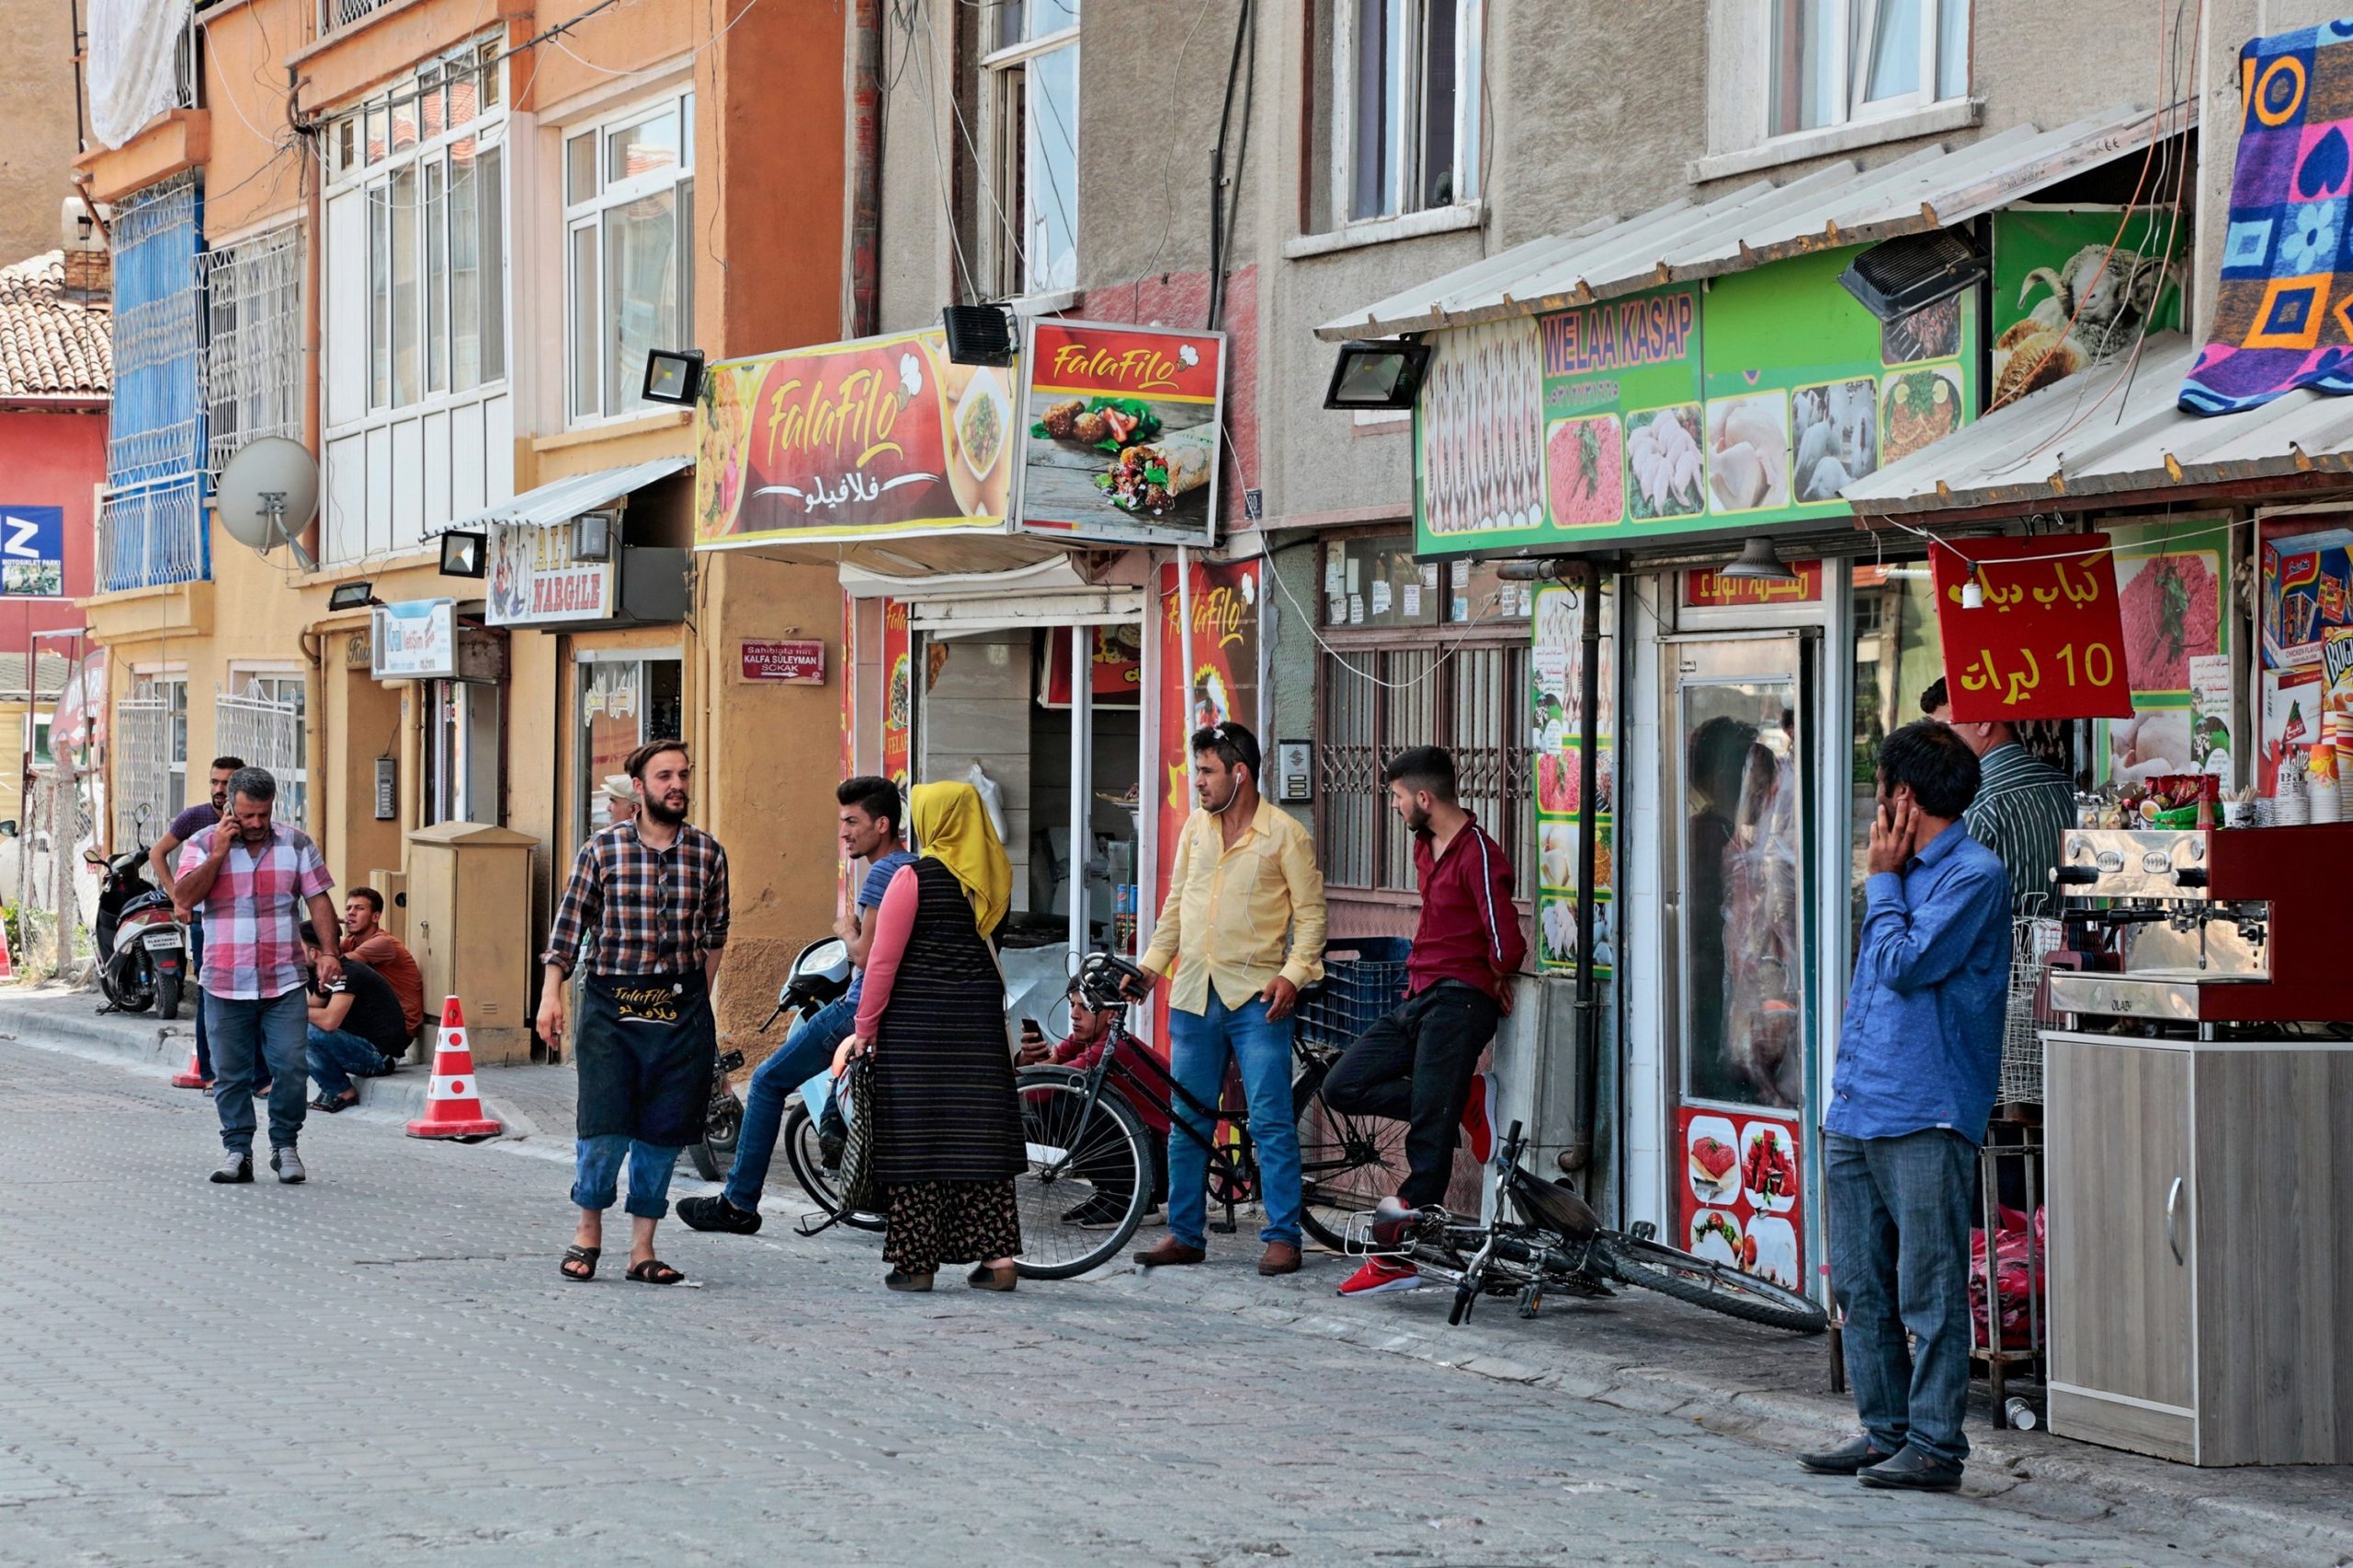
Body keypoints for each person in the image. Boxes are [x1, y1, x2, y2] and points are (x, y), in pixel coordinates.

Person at [1800, 720, 2010, 1493]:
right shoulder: (1902, 875)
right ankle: (1883, 1429)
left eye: (1883, 791)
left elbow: (1901, 963)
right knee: (1859, 1284)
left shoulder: (1973, 876)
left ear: (1905, 796)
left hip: (1927, 1112)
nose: (1877, 808)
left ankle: (1934, 1443)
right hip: (1859, 1105)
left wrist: (1882, 881)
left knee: (1930, 1289)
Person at [1324, 746, 1527, 1298]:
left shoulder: (1479, 854)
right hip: (1418, 994)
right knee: (1342, 1083)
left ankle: (1397, 1259)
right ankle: (1457, 1095)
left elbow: (1508, 942)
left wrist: (1494, 972)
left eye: (1395, 798)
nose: (1393, 808)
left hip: (1459, 1002)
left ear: (1422, 797)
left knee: (1428, 1137)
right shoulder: (1423, 846)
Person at [1129, 722, 1327, 1278]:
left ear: (1240, 773)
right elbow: (1176, 907)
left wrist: (1292, 975)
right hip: (1193, 991)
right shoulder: (1195, 828)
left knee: (1269, 1119)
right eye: (1197, 771)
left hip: (1258, 998)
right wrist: (1149, 968)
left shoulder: (1285, 834)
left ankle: (1284, 1235)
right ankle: (1185, 1233)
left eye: (1208, 771)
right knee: (1188, 1118)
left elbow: (1312, 919)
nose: (1198, 783)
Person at [677, 776, 915, 1236]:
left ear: (882, 824)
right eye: (841, 822)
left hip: (857, 1007)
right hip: (898, 1009)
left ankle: (739, 1203)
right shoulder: (916, 867)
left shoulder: (884, 873)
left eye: (852, 822)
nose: (844, 832)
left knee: (767, 1082)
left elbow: (866, 955)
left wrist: (846, 930)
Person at [538, 740, 730, 1287]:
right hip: (609, 1002)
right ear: (639, 788)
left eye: (684, 775)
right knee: (604, 1123)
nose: (678, 784)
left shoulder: (708, 853)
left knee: (664, 1130)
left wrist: (700, 996)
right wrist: (552, 994)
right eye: (665, 775)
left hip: (681, 1005)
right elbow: (568, 929)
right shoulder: (602, 850)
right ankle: (587, 1231)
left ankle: (642, 1249)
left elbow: (716, 933)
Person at [829, 781, 1024, 1292]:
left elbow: (881, 962)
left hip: (918, 1029)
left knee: (919, 1145)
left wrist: (864, 1029)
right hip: (978, 1026)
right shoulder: (994, 876)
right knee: (978, 1143)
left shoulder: (914, 877)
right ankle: (999, 1262)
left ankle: (917, 1266)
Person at [173, 767, 341, 1186]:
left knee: (290, 1067)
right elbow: (184, 898)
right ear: (230, 807)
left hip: (283, 979)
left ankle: (285, 1145)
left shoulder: (296, 843)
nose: (256, 824)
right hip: (225, 981)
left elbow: (318, 899)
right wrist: (218, 853)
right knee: (230, 1073)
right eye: (247, 815)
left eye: (263, 815)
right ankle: (237, 1151)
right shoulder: (201, 843)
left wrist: (330, 953)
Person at [1922, 676, 2076, 918]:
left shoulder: (1976, 804)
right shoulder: (2067, 786)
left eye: (1944, 730)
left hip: (2006, 951)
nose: (1936, 743)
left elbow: (1956, 908)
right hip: (2076, 947)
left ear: (1983, 723)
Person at [1018, 997, 1169, 1230]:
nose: (1074, 1015)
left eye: (1086, 1007)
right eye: (1072, 1005)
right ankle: (1109, 1192)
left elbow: (1044, 1086)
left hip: (1164, 1162)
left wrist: (1046, 1068)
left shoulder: (1112, 1047)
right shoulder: (1083, 1041)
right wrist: (1029, 1059)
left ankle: (1133, 1199)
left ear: (1111, 1015)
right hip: (1146, 1151)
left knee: (1068, 1102)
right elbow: (1037, 1094)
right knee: (1054, 1103)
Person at [153, 756, 244, 1088]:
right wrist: (176, 896)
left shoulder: (251, 821)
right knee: (210, 994)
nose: (220, 790)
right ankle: (209, 1073)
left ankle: (249, 1073)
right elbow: (157, 853)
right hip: (206, 921)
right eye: (215, 782)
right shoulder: (196, 818)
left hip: (245, 923)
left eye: (227, 783)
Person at [301, 922, 410, 1113]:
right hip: (359, 1046)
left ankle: (341, 1091)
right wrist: (321, 992)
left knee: (304, 1029)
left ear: (313, 953)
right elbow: (313, 1009)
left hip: (380, 1056)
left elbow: (328, 1021)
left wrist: (290, 1012)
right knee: (297, 1027)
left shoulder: (348, 972)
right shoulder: (319, 972)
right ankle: (333, 1088)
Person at [339, 885, 424, 1040]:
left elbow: (337, 964)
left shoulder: (382, 943)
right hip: (378, 1021)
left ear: (375, 917)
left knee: (339, 972)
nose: (351, 913)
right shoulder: (351, 942)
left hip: (399, 1028)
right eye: (348, 908)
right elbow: (313, 947)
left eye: (359, 909)